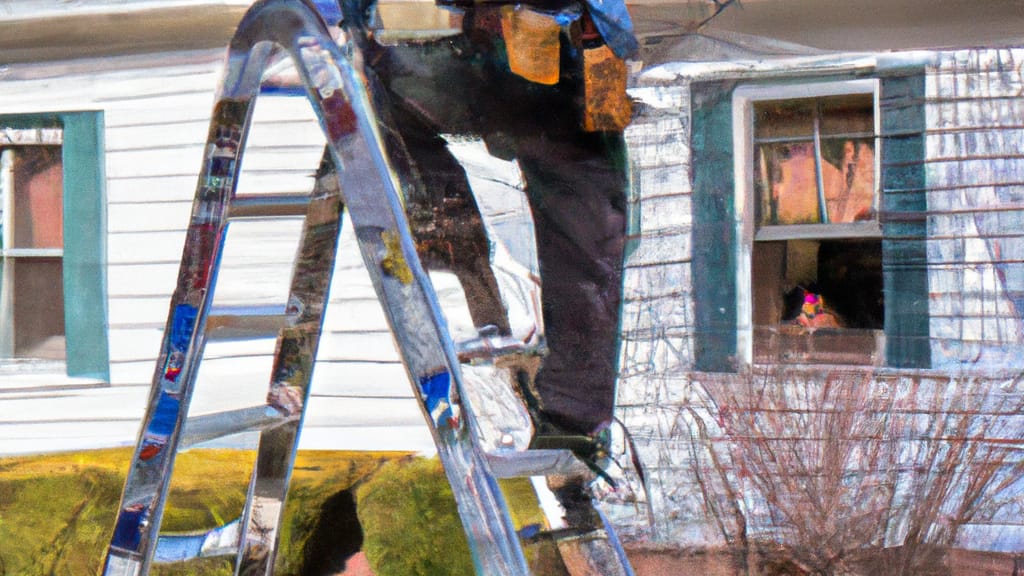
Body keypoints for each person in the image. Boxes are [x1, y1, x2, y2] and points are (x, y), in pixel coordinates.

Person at [338, 0, 636, 448]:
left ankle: (571, 419)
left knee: (586, 220)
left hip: (561, 60)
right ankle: (468, 277)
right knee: (387, 98)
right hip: (488, 58)